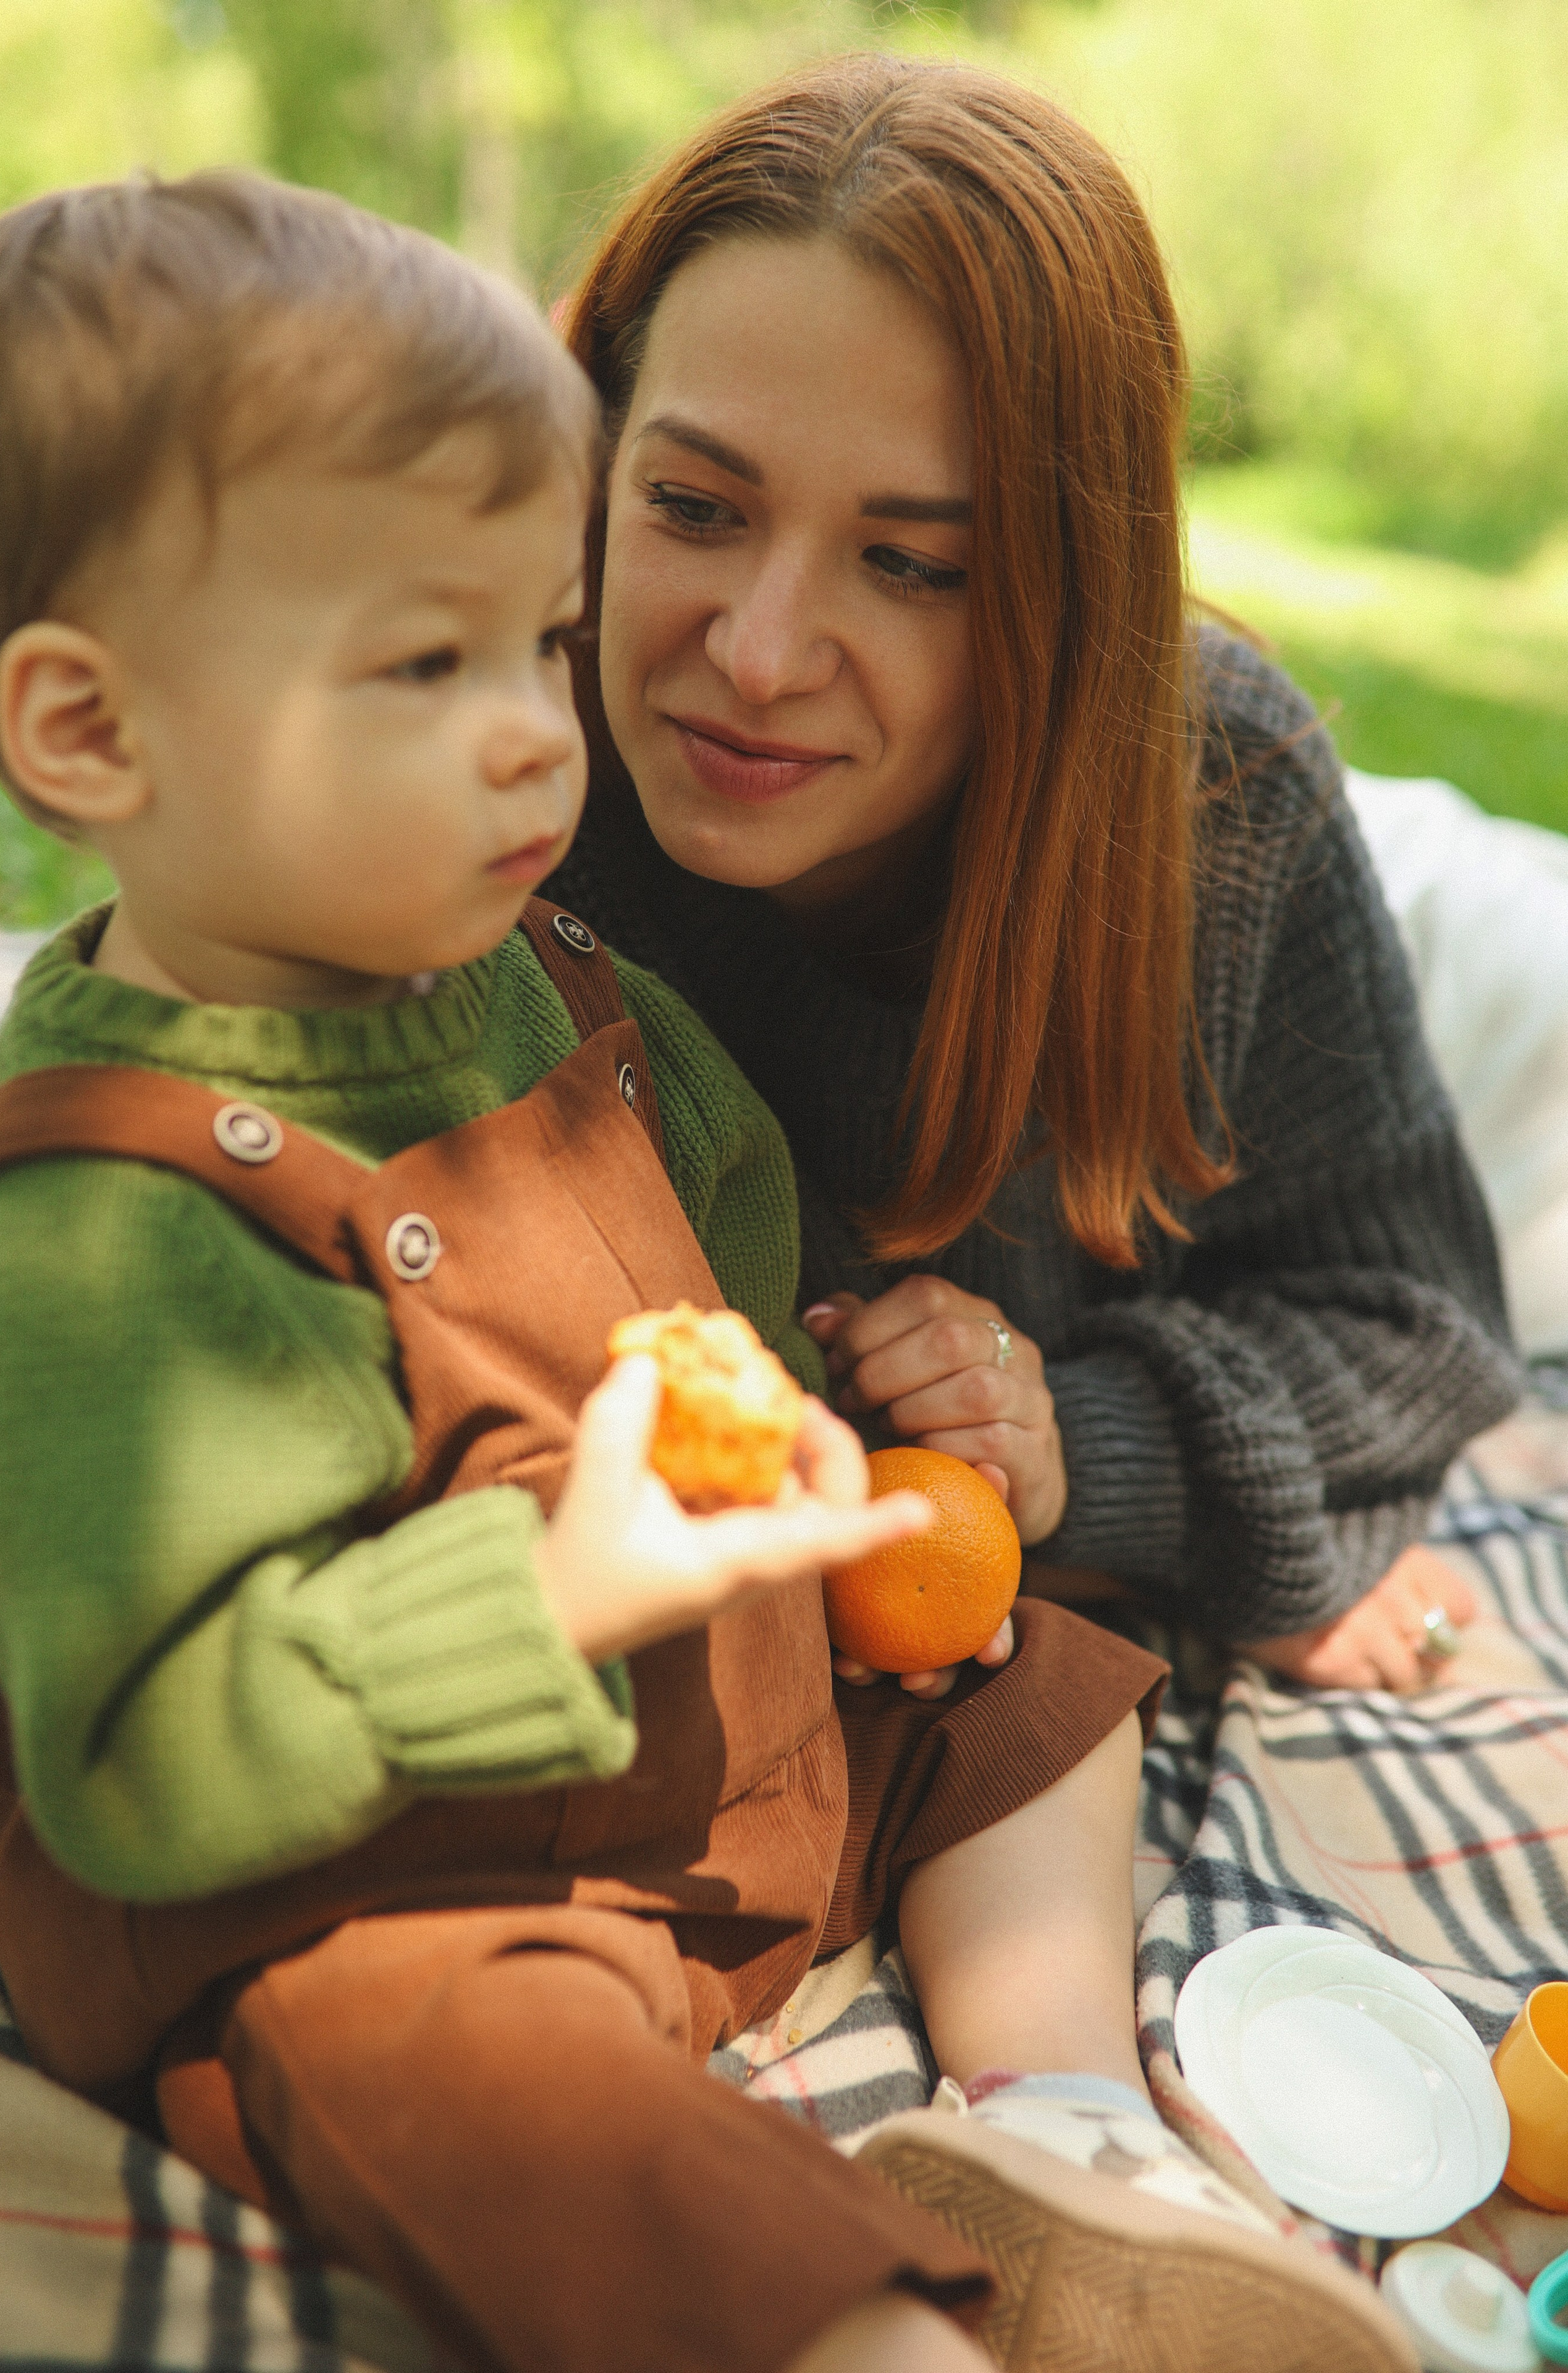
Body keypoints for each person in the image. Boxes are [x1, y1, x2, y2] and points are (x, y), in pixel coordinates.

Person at [0, 172, 1418, 2373]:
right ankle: (860, 2330)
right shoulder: (93, 1221)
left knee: (1028, 1691)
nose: (550, 733)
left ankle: (1064, 2124)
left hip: (730, 1763)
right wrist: (561, 1582)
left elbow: (739, 1258)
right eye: (427, 665)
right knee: (447, 2055)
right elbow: (145, 1769)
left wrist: (865, 1432)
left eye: (536, 647)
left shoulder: (538, 961)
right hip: (432, 1863)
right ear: (90, 735)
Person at [549, 51, 1521, 1701]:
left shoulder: (1217, 803)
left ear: (1071, 602)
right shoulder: (485, 751)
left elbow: (1413, 1334)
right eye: (697, 507)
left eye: (913, 562)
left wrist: (1080, 1443)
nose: (761, 655)